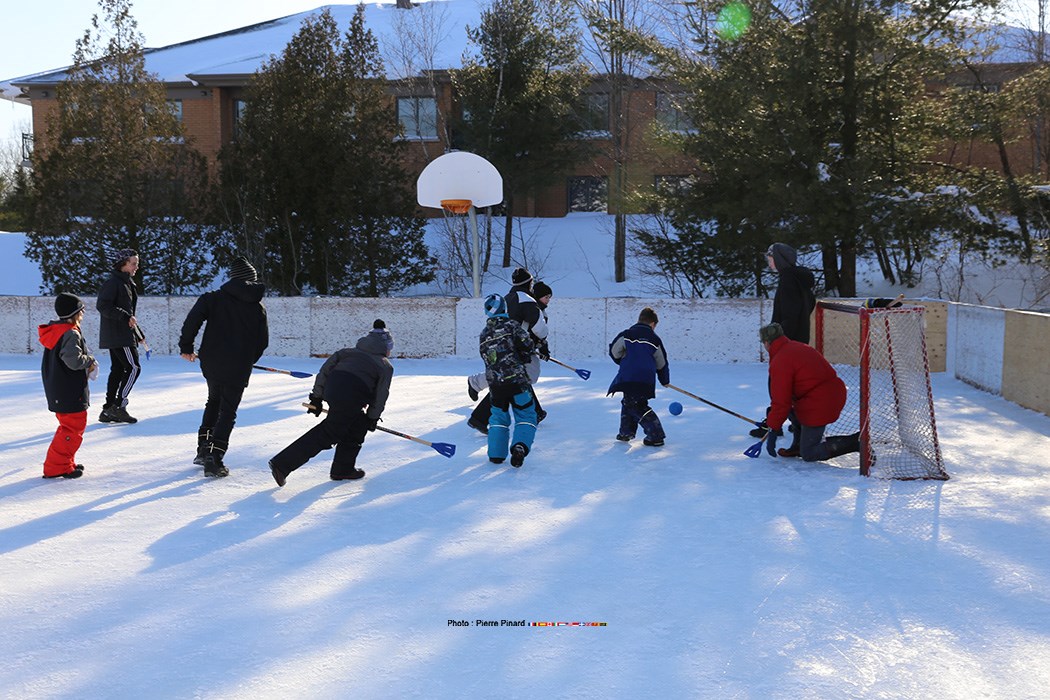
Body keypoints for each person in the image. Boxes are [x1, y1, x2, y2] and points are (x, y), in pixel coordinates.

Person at [269, 320, 394, 487]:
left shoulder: (345, 353)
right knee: (330, 432)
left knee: (357, 425)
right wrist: (372, 417)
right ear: (386, 347)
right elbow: (381, 395)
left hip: (334, 390)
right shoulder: (384, 365)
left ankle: (343, 469)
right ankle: (282, 464)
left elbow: (324, 372)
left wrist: (317, 397)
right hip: (353, 395)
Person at [178, 256, 269, 478]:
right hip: (238, 365)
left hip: (212, 361)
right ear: (252, 280)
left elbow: (192, 321)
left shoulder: (213, 299)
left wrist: (186, 346)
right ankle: (214, 456)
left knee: (214, 401)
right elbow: (262, 342)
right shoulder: (257, 308)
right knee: (227, 410)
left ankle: (203, 448)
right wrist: (248, 358)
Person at [757, 322, 861, 462]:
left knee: (810, 452)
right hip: (825, 395)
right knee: (792, 410)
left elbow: (781, 402)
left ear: (766, 342)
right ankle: (798, 445)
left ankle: (856, 441)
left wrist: (773, 428)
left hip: (820, 402)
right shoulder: (794, 347)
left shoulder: (781, 360)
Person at [467, 268, 549, 433]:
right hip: (516, 345)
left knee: (514, 377)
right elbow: (539, 327)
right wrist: (542, 343)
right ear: (529, 282)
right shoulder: (526, 299)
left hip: (501, 344)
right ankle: (479, 417)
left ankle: (535, 412)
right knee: (516, 378)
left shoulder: (508, 297)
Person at [754, 242, 817, 454]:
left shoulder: (789, 280)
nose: (768, 261)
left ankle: (783, 425)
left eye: (770, 257)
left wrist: (777, 340)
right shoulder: (799, 279)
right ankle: (785, 421)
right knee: (791, 387)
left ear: (779, 259)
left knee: (781, 386)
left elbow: (789, 315)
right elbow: (810, 303)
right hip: (797, 342)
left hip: (787, 345)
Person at [38, 293, 98, 479]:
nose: (84, 312)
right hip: (68, 389)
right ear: (75, 312)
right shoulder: (70, 333)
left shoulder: (58, 330)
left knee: (69, 427)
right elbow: (73, 361)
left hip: (60, 387)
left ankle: (65, 462)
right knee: (72, 428)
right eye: (82, 309)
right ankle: (56, 467)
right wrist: (90, 361)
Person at [479, 293, 537, 467]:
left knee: (498, 418)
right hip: (517, 381)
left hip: (496, 385)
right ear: (505, 308)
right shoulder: (512, 326)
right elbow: (527, 346)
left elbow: (486, 357)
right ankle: (520, 445)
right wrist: (524, 356)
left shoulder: (484, 333)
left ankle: (496, 454)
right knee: (526, 415)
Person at [607, 307, 670, 446]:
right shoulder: (654, 339)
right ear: (653, 324)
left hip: (628, 377)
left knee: (635, 405)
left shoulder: (627, 334)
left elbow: (614, 351)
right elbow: (661, 362)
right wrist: (664, 380)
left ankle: (656, 435)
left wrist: (623, 362)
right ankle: (626, 433)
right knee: (630, 402)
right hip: (646, 379)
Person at [96, 248, 144, 424]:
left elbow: (128, 313)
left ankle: (108, 409)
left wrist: (138, 333)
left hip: (122, 333)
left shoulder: (126, 282)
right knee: (133, 368)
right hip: (118, 335)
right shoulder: (113, 283)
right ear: (123, 264)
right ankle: (119, 406)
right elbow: (103, 306)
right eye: (133, 263)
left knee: (118, 369)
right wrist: (124, 317)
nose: (136, 267)